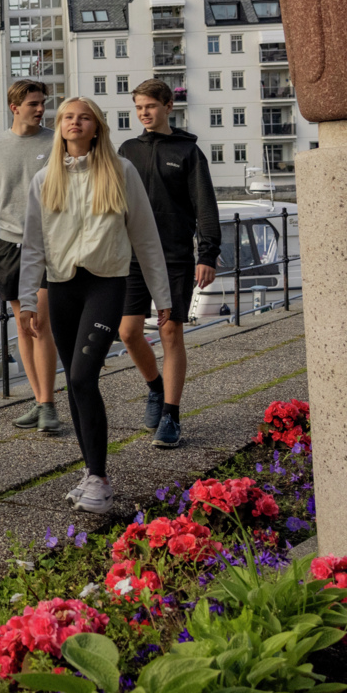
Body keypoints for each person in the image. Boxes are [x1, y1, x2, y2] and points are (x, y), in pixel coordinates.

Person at [18, 97, 172, 514]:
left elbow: (146, 239)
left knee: (84, 376)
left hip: (106, 285)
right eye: (68, 117)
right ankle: (90, 472)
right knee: (74, 381)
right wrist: (29, 298)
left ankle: (100, 480)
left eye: (83, 117)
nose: (74, 123)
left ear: (97, 126)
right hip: (62, 286)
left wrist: (164, 299)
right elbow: (32, 246)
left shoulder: (121, 173)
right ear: (61, 126)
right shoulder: (44, 179)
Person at [116, 79, 221, 449]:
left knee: (170, 332)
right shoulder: (127, 149)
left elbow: (205, 206)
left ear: (168, 107)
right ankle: (155, 388)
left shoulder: (188, 152)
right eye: (139, 107)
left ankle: (171, 416)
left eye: (151, 106)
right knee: (128, 332)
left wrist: (206, 254)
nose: (144, 113)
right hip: (131, 256)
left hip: (174, 256)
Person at [0, 79, 61, 435]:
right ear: (15, 107)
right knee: (23, 329)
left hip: (51, 245)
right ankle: (40, 401)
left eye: (42, 103)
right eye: (33, 104)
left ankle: (49, 405)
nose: (41, 109)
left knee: (40, 324)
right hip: (10, 246)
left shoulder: (57, 142)